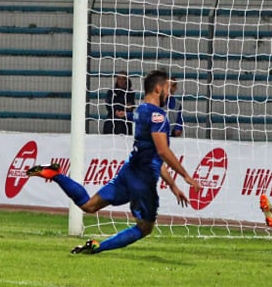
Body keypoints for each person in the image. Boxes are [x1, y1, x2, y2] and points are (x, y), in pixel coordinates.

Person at [27, 69, 201, 254]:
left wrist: (173, 186)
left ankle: (56, 175)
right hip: (143, 181)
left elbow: (153, 156)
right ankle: (98, 248)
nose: (169, 93)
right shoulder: (158, 116)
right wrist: (186, 176)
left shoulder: (140, 110)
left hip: (128, 173)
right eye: (168, 88)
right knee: (145, 228)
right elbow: (162, 152)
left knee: (89, 206)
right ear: (158, 88)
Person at [102, 70, 136, 135]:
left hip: (125, 122)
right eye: (119, 79)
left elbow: (130, 106)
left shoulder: (130, 92)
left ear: (126, 80)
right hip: (112, 121)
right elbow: (108, 105)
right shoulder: (111, 91)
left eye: (123, 79)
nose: (121, 81)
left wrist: (125, 110)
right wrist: (116, 111)